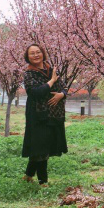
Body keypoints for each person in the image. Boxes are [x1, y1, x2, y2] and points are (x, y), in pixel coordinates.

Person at [21, 44, 67, 185]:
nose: (36, 55)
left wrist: (61, 94)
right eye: (32, 53)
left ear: (43, 53)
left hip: (54, 113)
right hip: (37, 114)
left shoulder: (51, 70)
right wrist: (51, 81)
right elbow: (35, 92)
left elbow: (64, 87)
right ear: (28, 57)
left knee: (45, 145)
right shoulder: (29, 74)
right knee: (40, 146)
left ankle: (29, 175)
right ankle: (43, 181)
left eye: (38, 52)